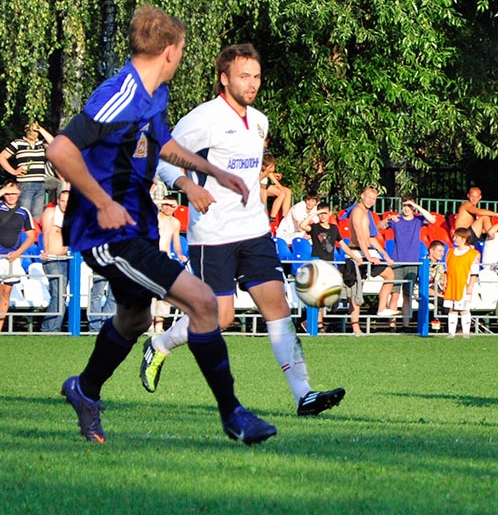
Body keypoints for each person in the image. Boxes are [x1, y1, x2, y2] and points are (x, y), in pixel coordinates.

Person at [47, 6, 275, 444]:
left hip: (138, 225)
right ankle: (234, 416)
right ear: (170, 51)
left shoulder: (153, 94)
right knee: (204, 303)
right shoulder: (118, 94)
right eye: (182, 49)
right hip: (109, 233)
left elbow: (163, 142)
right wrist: (103, 203)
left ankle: (84, 390)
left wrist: (212, 171)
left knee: (134, 320)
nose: (181, 57)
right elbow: (60, 150)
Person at [141, 43, 345, 417]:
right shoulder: (203, 119)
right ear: (224, 79)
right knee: (220, 318)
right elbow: (162, 157)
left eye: (256, 76)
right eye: (244, 76)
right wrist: (187, 186)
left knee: (278, 307)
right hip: (213, 235)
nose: (252, 84)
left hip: (254, 232)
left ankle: (304, 396)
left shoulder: (260, 121)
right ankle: (160, 344)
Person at [0, 180, 36, 332]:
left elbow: (31, 236)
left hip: (13, 257)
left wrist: (18, 253)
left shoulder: (23, 212)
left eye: (14, 193)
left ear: (19, 194)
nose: (11, 196)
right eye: (8, 194)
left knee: (6, 292)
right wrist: (4, 190)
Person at [378, 195, 435, 330]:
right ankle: (392, 325)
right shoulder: (397, 220)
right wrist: (388, 218)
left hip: (412, 263)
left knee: (407, 295)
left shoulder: (417, 220)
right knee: (395, 294)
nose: (407, 208)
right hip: (397, 262)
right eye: (404, 205)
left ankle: (406, 324)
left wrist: (416, 206)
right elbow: (378, 227)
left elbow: (432, 220)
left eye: (409, 206)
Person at [347, 186, 400, 327]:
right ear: (362, 196)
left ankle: (381, 309)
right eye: (369, 197)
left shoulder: (367, 213)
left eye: (374, 199)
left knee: (389, 274)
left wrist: (385, 255)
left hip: (367, 251)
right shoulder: (357, 211)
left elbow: (370, 237)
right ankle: (356, 328)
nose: (371, 201)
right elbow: (359, 237)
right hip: (357, 253)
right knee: (357, 291)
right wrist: (368, 256)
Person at [302, 202, 358, 332]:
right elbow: (302, 226)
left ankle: (313, 322)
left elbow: (343, 244)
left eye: (325, 213)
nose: (323, 216)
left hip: (329, 265)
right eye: (320, 213)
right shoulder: (315, 228)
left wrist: (355, 257)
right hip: (318, 265)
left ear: (330, 214)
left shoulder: (333, 228)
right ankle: (317, 324)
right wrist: (314, 214)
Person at [0, 122, 55, 220]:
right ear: (25, 130)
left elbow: (53, 143)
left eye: (35, 130)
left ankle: (34, 230)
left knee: (37, 214)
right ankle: (22, 230)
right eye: (31, 130)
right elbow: (1, 157)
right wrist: (13, 171)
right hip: (25, 183)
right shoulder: (18, 143)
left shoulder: (41, 143)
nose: (33, 133)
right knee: (24, 212)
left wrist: (40, 128)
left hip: (40, 183)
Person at [149, 195, 187, 334]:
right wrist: (163, 201)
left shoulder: (175, 223)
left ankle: (159, 324)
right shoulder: (155, 217)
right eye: (166, 205)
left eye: (172, 206)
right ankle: (149, 324)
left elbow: (176, 241)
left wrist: (180, 254)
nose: (168, 208)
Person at [40, 190, 70, 332]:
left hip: (66, 259)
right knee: (58, 294)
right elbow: (46, 232)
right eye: (62, 201)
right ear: (58, 201)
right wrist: (46, 250)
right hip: (52, 259)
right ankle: (49, 328)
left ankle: (54, 327)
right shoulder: (51, 212)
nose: (65, 204)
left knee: (62, 295)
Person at [443, 228, 481, 338]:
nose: (454, 239)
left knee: (464, 308)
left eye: (457, 237)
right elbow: (447, 268)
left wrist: (470, 285)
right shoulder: (450, 252)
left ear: (464, 239)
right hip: (452, 284)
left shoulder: (472, 254)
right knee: (452, 308)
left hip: (463, 284)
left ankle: (466, 332)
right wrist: (445, 280)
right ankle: (451, 333)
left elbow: (474, 272)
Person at [260, 152, 293, 220]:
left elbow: (272, 177)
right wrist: (265, 173)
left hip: (265, 186)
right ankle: (270, 217)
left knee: (286, 192)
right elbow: (255, 180)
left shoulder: (268, 171)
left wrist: (281, 187)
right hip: (258, 187)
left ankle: (284, 216)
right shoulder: (257, 169)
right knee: (276, 193)